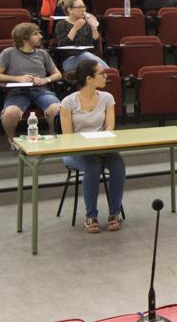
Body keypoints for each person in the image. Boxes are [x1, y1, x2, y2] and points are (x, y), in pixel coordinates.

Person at [60, 61, 126, 233]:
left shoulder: (107, 98)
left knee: (118, 164)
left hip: (102, 147)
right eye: (101, 73)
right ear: (89, 78)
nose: (106, 76)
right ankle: (91, 215)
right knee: (92, 165)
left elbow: (109, 128)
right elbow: (68, 138)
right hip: (76, 152)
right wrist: (89, 148)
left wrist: (100, 146)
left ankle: (115, 213)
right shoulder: (67, 103)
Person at [0, 23, 63, 143]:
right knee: (10, 113)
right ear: (24, 37)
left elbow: (58, 74)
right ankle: (12, 140)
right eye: (35, 34)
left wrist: (46, 79)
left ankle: (52, 136)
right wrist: (18, 78)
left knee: (57, 108)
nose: (40, 36)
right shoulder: (8, 53)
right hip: (18, 91)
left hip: (41, 90)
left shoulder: (42, 53)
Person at [54, 0, 106, 73]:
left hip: (88, 59)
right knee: (86, 55)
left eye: (84, 7)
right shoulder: (61, 24)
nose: (83, 10)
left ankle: (108, 73)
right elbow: (63, 45)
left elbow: (93, 43)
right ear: (70, 10)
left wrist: (94, 28)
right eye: (80, 7)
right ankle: (108, 72)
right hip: (70, 60)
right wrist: (75, 28)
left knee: (87, 56)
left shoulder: (86, 24)